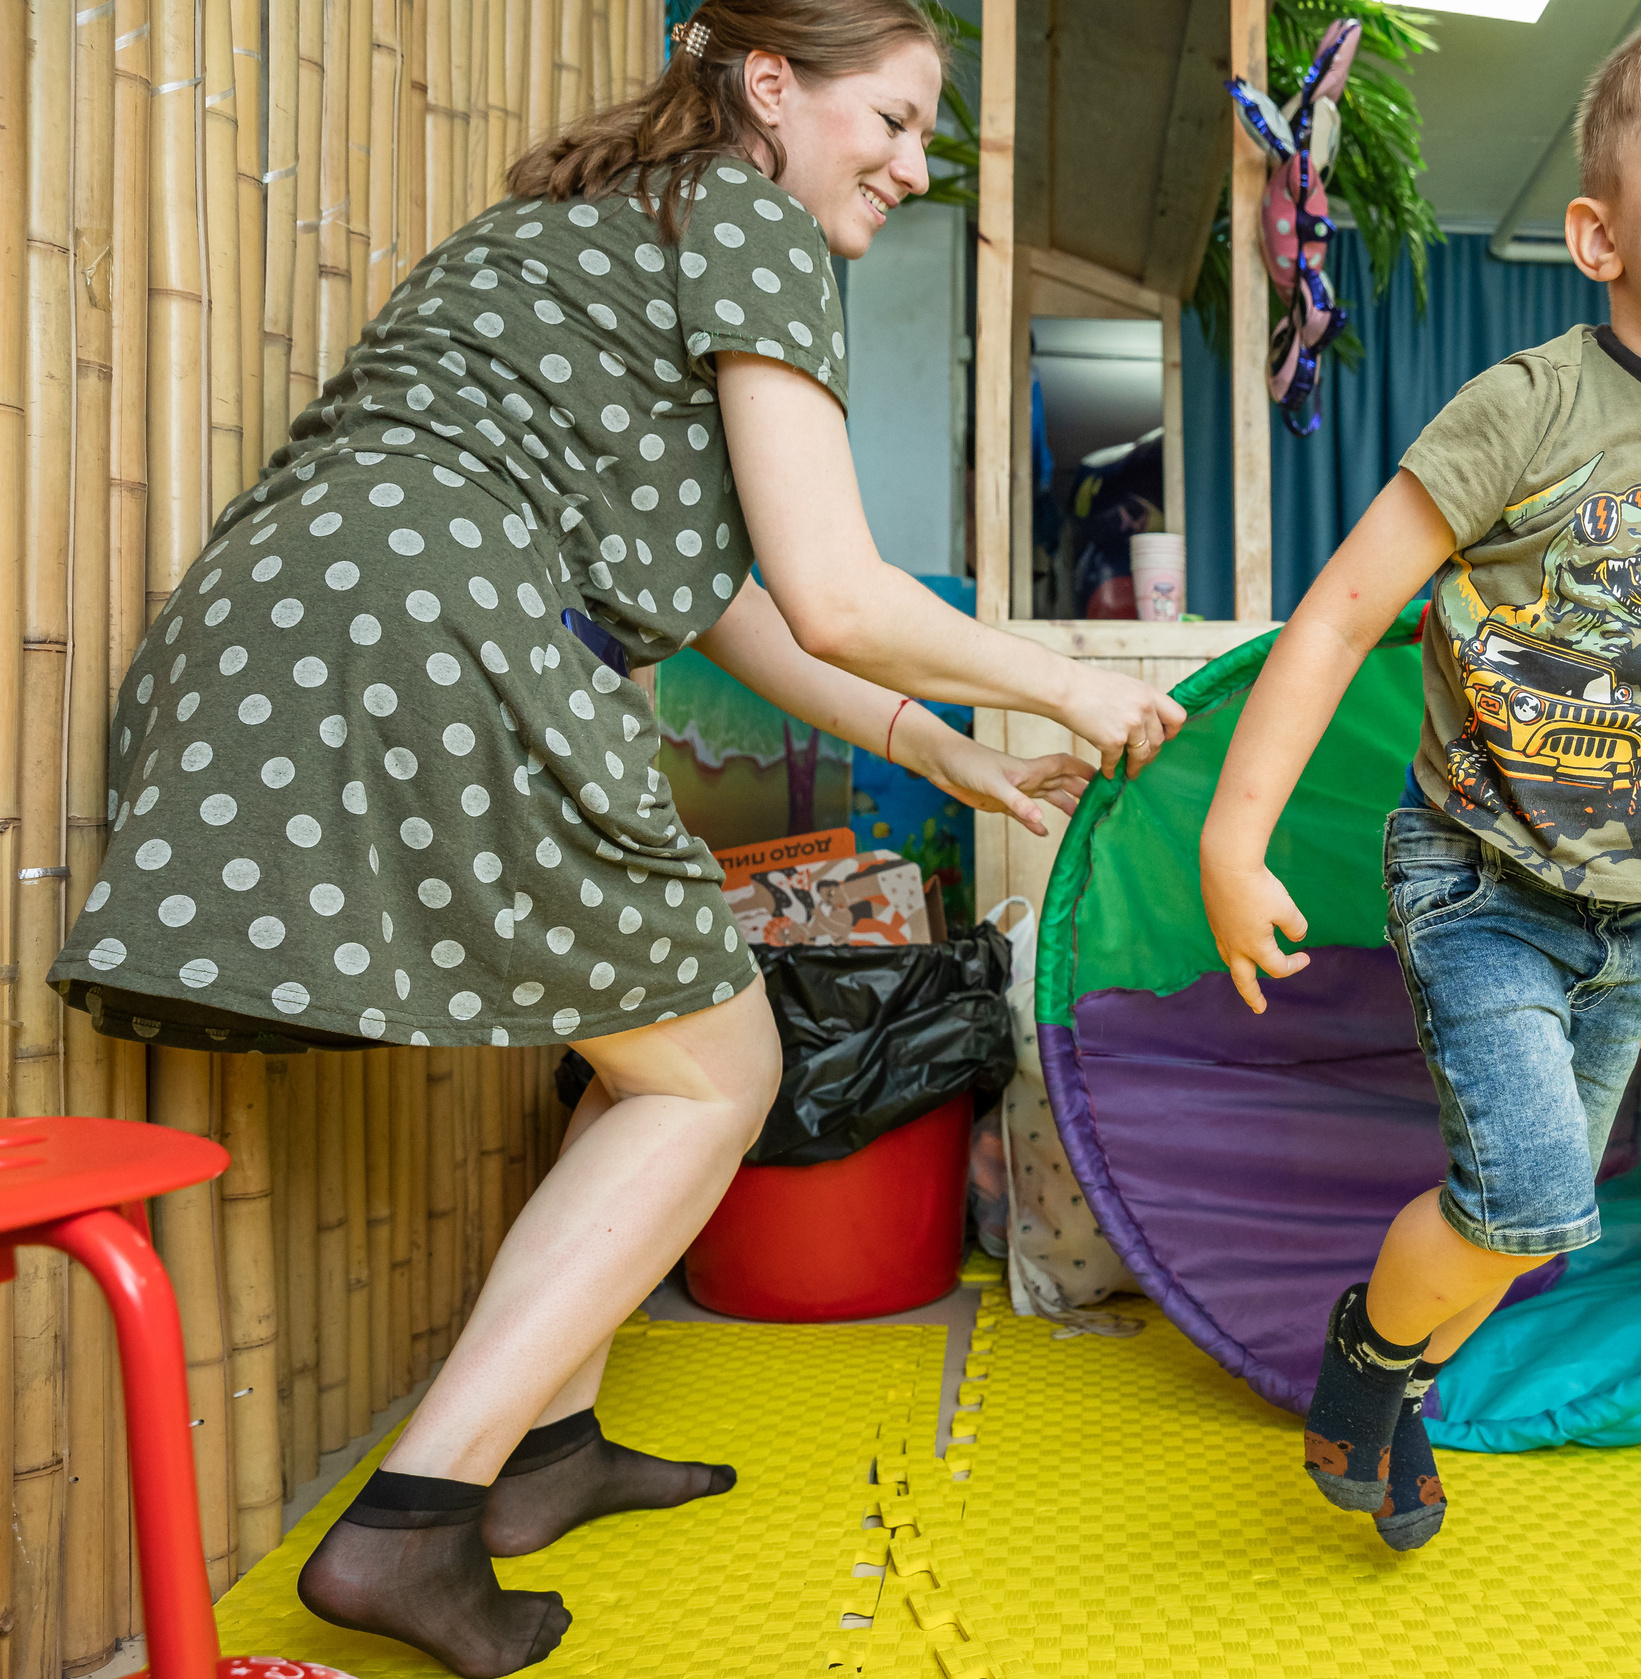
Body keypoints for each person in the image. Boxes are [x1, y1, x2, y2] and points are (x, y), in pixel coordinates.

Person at [46, 2, 1185, 1673]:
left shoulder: (594, 224)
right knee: (712, 1065)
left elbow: (734, 600)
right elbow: (843, 591)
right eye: (891, 118)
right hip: (448, 631)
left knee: (635, 1030)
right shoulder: (748, 219)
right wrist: (1069, 688)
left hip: (298, 613)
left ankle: (550, 1449)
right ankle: (415, 1515)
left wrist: (951, 747)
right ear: (771, 86)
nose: (908, 163)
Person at [1200, 0, 1641, 1553]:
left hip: (1638, 913)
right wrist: (1236, 829)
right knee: (1535, 1199)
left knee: (1526, 1218)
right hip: (1481, 875)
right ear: (1598, 233)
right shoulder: (1532, 405)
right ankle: (1368, 1362)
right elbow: (1345, 610)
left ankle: (1399, 1377)